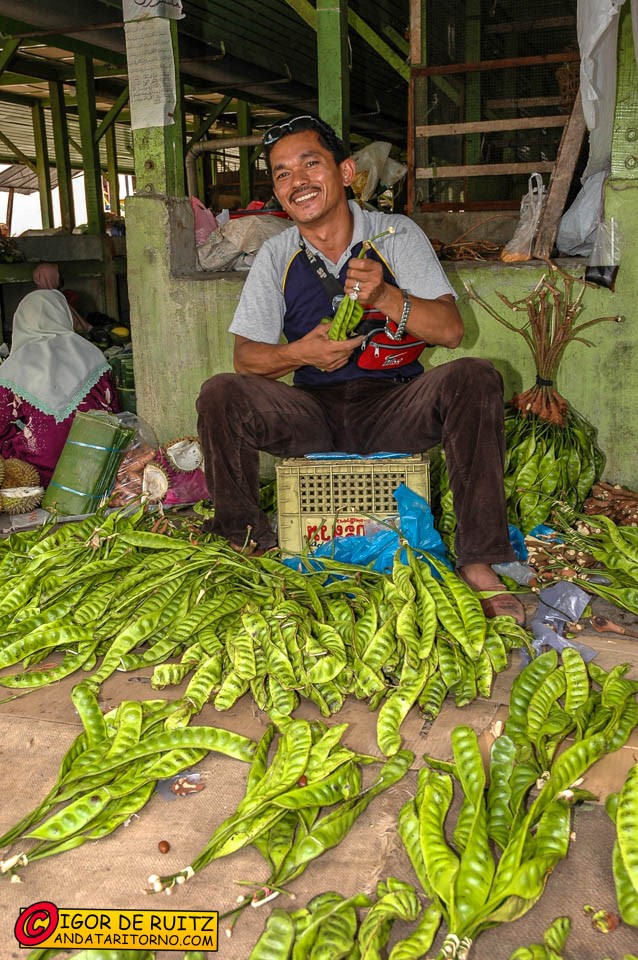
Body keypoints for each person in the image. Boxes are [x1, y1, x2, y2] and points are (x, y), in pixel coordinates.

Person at [196, 114, 524, 624]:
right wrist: (300, 353)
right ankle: (246, 544)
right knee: (220, 393)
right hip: (311, 413)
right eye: (282, 173)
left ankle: (479, 560)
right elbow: (247, 358)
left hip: (394, 404)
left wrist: (389, 296)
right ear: (278, 193)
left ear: (346, 172)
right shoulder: (277, 253)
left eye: (310, 163)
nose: (297, 180)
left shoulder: (396, 235)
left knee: (475, 375)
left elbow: (451, 331)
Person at [0, 288, 120, 487]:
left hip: (37, 476)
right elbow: (114, 412)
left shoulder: (12, 367)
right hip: (94, 469)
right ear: (63, 314)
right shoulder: (92, 354)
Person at [33, 262, 92, 334]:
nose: (59, 277)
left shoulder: (31, 299)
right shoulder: (54, 298)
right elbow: (76, 325)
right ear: (50, 277)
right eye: (57, 274)